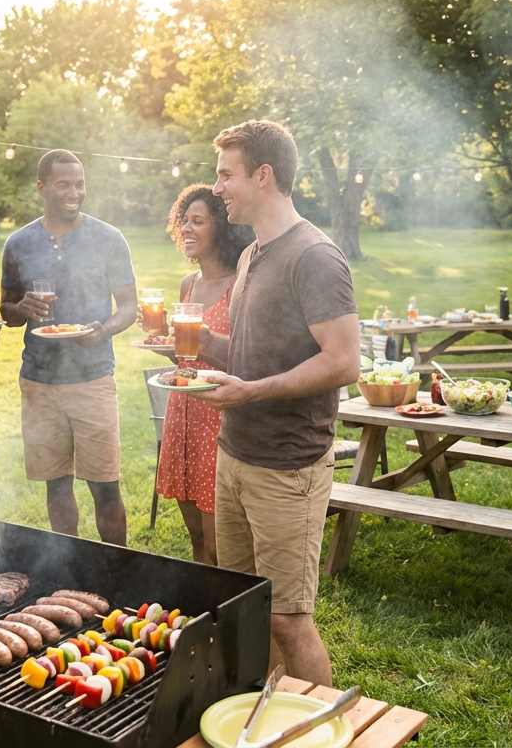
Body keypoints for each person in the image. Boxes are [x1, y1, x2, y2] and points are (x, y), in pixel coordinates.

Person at [189, 120, 360, 686]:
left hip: (287, 465)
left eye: (225, 175)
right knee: (245, 604)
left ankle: (320, 731)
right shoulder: (252, 256)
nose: (217, 188)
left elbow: (342, 361)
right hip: (235, 452)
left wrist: (252, 392)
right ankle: (269, 716)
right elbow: (250, 349)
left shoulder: (315, 256)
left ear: (263, 176)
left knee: (288, 619)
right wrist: (200, 346)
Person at [0, 150, 138, 545]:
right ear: (42, 188)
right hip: (39, 381)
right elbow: (6, 311)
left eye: (79, 184)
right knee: (56, 485)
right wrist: (22, 307)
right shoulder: (19, 243)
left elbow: (127, 306)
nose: (74, 192)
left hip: (92, 376)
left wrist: (104, 328)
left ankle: (116, 568)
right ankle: (70, 564)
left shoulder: (108, 238)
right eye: (64, 184)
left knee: (105, 485)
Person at [152, 184, 254, 565]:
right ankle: (207, 620)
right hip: (184, 412)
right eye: (184, 221)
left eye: (198, 221)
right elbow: (185, 354)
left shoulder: (239, 286)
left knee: (219, 546)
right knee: (196, 540)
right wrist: (160, 337)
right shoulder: (188, 284)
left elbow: (247, 359)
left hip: (218, 416)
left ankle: (230, 617)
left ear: (223, 228)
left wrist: (206, 341)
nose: (187, 229)